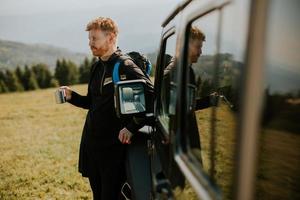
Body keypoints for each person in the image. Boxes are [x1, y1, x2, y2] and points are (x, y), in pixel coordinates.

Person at [59, 17, 154, 200]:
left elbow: (151, 97)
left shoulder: (125, 66)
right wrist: (72, 96)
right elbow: (91, 103)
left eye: (94, 39)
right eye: (89, 39)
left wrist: (132, 126)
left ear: (110, 38)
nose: (90, 43)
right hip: (92, 145)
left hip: (112, 150)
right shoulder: (96, 66)